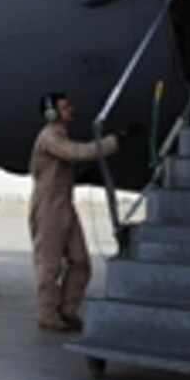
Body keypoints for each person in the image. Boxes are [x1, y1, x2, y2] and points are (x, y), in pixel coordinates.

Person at [28, 92, 133, 332]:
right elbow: (77, 153)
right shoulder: (50, 138)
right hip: (48, 207)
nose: (71, 109)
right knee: (50, 264)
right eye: (65, 107)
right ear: (51, 113)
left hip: (64, 203)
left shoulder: (61, 137)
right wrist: (116, 140)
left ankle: (68, 310)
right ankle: (48, 313)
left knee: (80, 262)